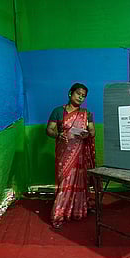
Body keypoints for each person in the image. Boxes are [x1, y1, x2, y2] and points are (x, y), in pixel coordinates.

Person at [46, 83, 97, 229]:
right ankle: (59, 214)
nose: (80, 97)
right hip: (64, 154)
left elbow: (92, 132)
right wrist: (58, 134)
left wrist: (87, 133)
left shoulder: (87, 114)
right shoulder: (58, 111)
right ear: (70, 93)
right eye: (78, 94)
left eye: (83, 96)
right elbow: (49, 130)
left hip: (80, 154)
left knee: (80, 181)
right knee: (65, 183)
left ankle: (78, 210)